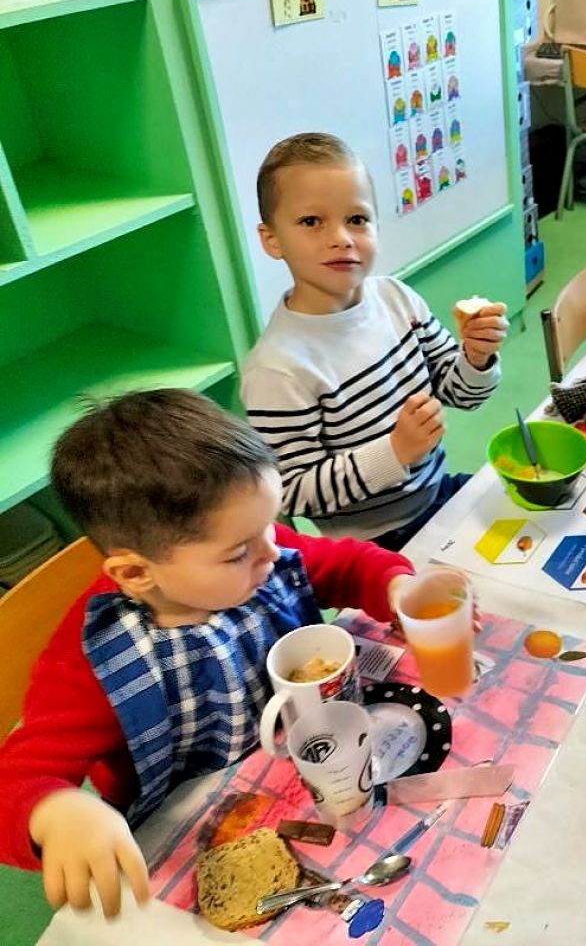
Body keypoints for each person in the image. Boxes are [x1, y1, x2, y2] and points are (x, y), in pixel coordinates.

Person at [0, 389, 415, 917]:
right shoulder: (96, 661)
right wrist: (56, 813)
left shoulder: (255, 548)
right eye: (239, 551)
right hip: (195, 828)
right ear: (135, 573)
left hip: (310, 767)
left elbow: (349, 565)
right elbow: (14, 780)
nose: (273, 551)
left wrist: (397, 587)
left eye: (270, 525)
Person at [241, 132, 508, 551]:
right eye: (311, 222)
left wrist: (477, 357)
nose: (341, 238)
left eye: (357, 219)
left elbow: (460, 394)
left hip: (438, 493)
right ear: (271, 239)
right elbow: (291, 490)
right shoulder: (278, 369)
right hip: (374, 545)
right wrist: (395, 452)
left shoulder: (397, 299)